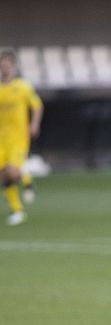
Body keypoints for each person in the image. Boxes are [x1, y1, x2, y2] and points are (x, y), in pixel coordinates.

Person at [0, 50, 43, 226]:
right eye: (2, 63)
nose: (5, 66)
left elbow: (37, 105)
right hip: (1, 138)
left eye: (8, 63)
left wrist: (34, 124)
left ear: (13, 66)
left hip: (18, 138)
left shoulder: (23, 86)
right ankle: (17, 210)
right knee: (3, 175)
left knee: (11, 170)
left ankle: (23, 176)